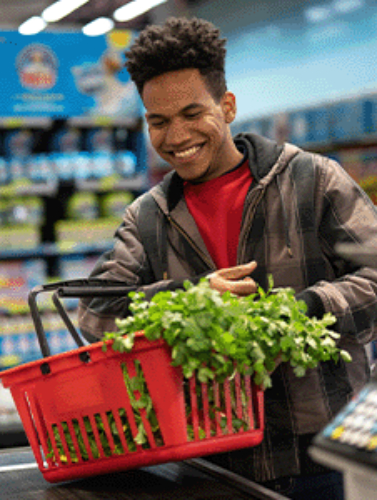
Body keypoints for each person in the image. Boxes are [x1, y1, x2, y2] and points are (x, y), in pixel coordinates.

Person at [78, 16, 377, 499]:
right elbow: (93, 316)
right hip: (209, 463)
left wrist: (302, 311)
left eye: (192, 113)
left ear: (228, 105)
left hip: (321, 458)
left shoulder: (313, 180)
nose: (176, 136)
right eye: (158, 121)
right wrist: (186, 299)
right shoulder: (148, 218)